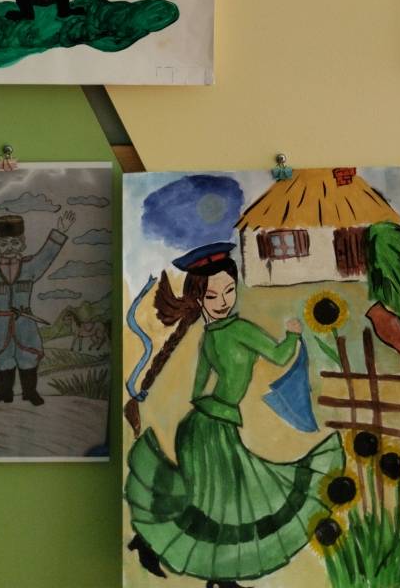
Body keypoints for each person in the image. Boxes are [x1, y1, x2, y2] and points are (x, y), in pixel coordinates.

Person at [124, 242, 344, 588]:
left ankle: (152, 544)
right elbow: (278, 355)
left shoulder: (210, 335)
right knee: (226, 504)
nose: (223, 301)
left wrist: (218, 404)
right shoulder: (236, 331)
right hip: (212, 429)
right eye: (212, 296)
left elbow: (199, 389)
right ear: (199, 299)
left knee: (212, 503)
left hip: (202, 426)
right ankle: (220, 578)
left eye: (229, 290)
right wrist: (293, 335)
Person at [0, 209, 76, 405]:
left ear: (22, 244)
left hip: (25, 325)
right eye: (3, 244)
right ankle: (4, 393)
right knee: (2, 360)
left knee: (28, 358)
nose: (9, 248)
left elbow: (45, 257)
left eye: (14, 243)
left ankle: (30, 393)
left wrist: (60, 231)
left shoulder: (30, 267)